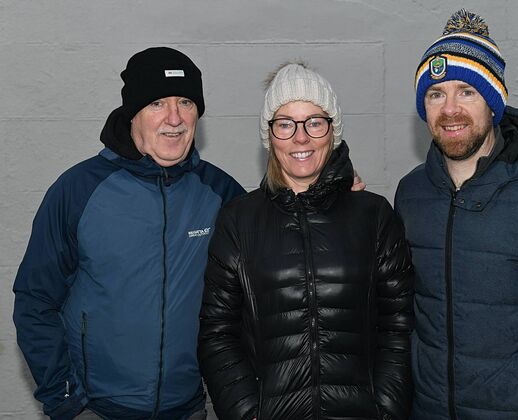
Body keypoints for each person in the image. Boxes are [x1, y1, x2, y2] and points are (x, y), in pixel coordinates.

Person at [12, 47, 246, 419]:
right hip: (96, 410)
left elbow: (278, 249)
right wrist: (67, 400)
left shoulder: (221, 193)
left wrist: (334, 192)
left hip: (188, 409)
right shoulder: (78, 190)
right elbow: (34, 302)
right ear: (132, 113)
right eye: (156, 103)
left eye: (186, 102)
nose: (174, 118)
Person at [394, 9, 518, 420]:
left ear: (493, 104)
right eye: (436, 94)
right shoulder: (411, 194)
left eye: (467, 92)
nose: (450, 109)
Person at [198, 62, 414, 420]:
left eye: (314, 122)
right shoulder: (238, 220)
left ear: (333, 131)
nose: (301, 137)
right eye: (285, 124)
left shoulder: (374, 216)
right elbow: (217, 333)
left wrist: (387, 409)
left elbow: (399, 325)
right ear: (270, 136)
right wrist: (247, 413)